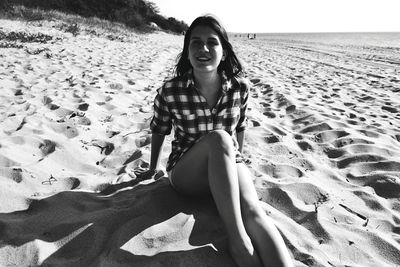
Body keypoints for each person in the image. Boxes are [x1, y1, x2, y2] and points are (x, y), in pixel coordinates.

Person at [140, 14, 293, 267]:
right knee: (220, 138)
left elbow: (240, 125)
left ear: (223, 51)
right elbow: (160, 129)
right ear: (187, 51)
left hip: (227, 164)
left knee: (253, 210)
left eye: (212, 42)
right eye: (196, 43)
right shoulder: (171, 90)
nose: (204, 49)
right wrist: (152, 168)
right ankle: (239, 242)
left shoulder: (240, 88)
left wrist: (239, 164)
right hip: (187, 175)